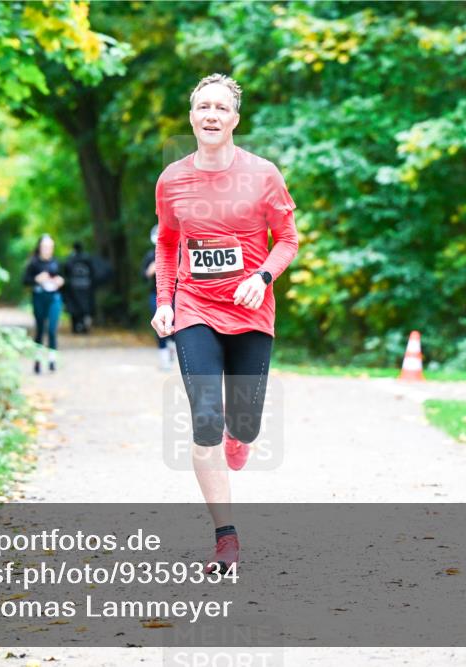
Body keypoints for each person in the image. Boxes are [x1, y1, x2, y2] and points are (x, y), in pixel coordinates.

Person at [151, 74, 298, 573]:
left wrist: (262, 275)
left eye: (220, 108)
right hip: (195, 306)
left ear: (235, 119)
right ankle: (226, 538)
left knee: (245, 423)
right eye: (202, 107)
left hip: (252, 310)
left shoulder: (263, 174)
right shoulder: (172, 179)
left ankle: (242, 436)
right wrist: (165, 301)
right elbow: (168, 243)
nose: (211, 115)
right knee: (206, 418)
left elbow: (288, 240)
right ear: (192, 116)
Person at [23, 234, 65, 374]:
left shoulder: (56, 263)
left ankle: (52, 360)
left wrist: (60, 281)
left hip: (54, 297)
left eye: (50, 247)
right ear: (40, 247)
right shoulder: (33, 263)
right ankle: (38, 360)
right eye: (45, 247)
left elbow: (65, 280)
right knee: (40, 329)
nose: (48, 250)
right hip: (39, 297)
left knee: (52, 329)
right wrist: (37, 279)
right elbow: (25, 280)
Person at [142, 224, 177, 370]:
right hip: (154, 295)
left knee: (176, 325)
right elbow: (143, 276)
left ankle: (173, 351)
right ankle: (164, 359)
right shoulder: (150, 255)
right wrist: (151, 270)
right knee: (159, 326)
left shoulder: (176, 251)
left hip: (175, 294)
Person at [64, 241, 95, 334]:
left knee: (74, 308)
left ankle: (76, 327)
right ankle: (84, 327)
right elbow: (93, 271)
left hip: (74, 288)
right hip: (86, 287)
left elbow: (66, 271)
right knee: (85, 308)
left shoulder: (71, 258)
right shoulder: (87, 258)